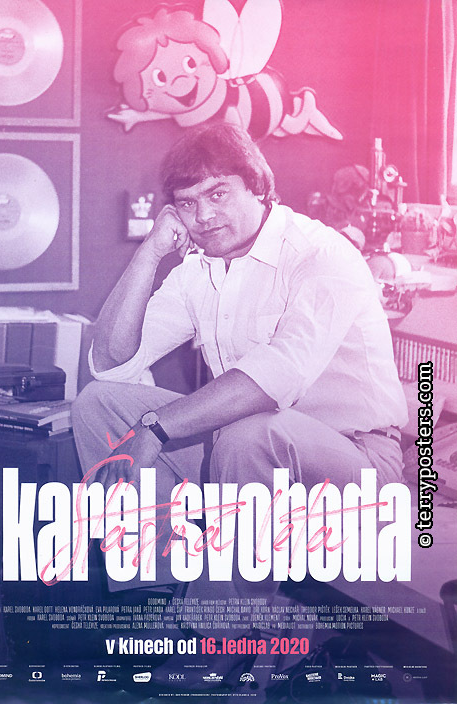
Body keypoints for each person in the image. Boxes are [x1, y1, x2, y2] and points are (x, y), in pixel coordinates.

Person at [71, 123, 407, 676]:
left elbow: (277, 376)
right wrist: (150, 254)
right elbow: (111, 362)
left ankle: (222, 637)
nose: (203, 216)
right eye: (187, 203)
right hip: (257, 460)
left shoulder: (322, 254)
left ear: (260, 188)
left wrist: (155, 429)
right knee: (99, 405)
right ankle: (160, 599)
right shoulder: (200, 267)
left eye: (218, 194)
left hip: (359, 470)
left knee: (248, 430)